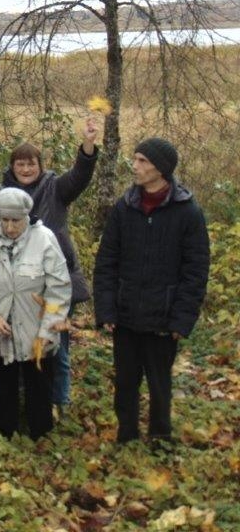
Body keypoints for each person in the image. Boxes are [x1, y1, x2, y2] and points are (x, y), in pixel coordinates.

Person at [93, 138, 209, 445]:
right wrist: (106, 309)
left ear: (161, 168)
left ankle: (160, 438)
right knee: (125, 382)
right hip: (127, 314)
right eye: (135, 159)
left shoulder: (188, 212)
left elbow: (195, 271)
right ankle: (126, 437)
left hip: (163, 318)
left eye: (142, 161)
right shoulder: (125, 207)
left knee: (160, 384)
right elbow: (106, 261)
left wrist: (180, 320)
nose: (135, 166)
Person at [0, 117, 99, 412]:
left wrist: (87, 145)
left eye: (31, 163)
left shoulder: (56, 188)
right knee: (16, 344)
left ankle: (58, 402)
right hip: (13, 285)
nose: (25, 169)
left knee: (55, 347)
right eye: (20, 164)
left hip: (54, 283)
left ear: (40, 166)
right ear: (12, 167)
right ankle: (26, 401)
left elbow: (81, 176)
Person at [0, 188, 71, 439]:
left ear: (27, 217)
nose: (11, 227)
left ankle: (41, 436)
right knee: (3, 388)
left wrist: (48, 329)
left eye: (16, 221)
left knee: (39, 388)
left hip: (36, 329)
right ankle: (7, 434)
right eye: (5, 220)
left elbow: (59, 288)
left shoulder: (45, 239)